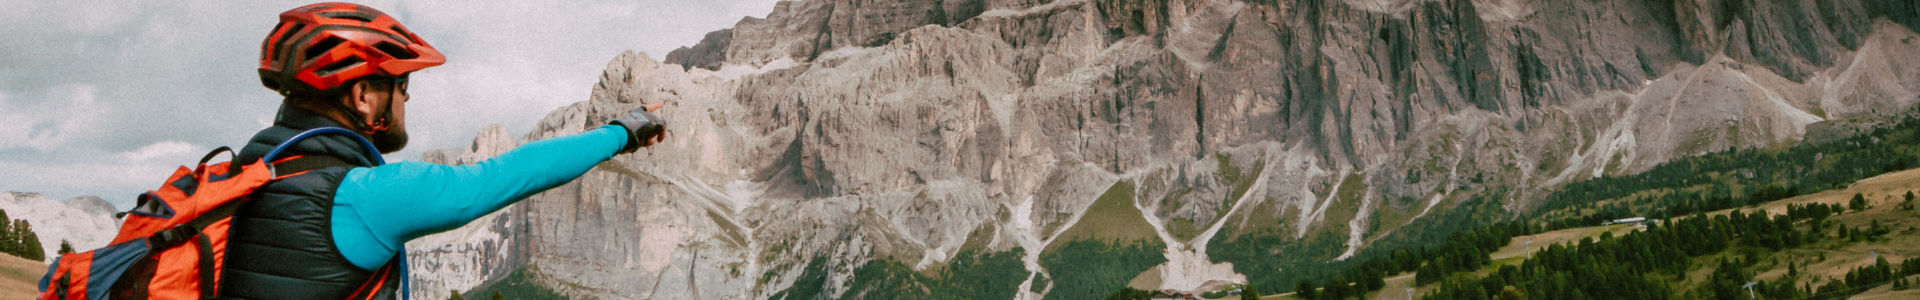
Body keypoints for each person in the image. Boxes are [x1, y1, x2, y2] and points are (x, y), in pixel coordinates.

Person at [219, 3, 666, 299]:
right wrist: (622, 132)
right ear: (362, 96)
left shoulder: (243, 174)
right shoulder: (363, 196)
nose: (407, 100)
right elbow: (511, 173)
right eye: (401, 84)